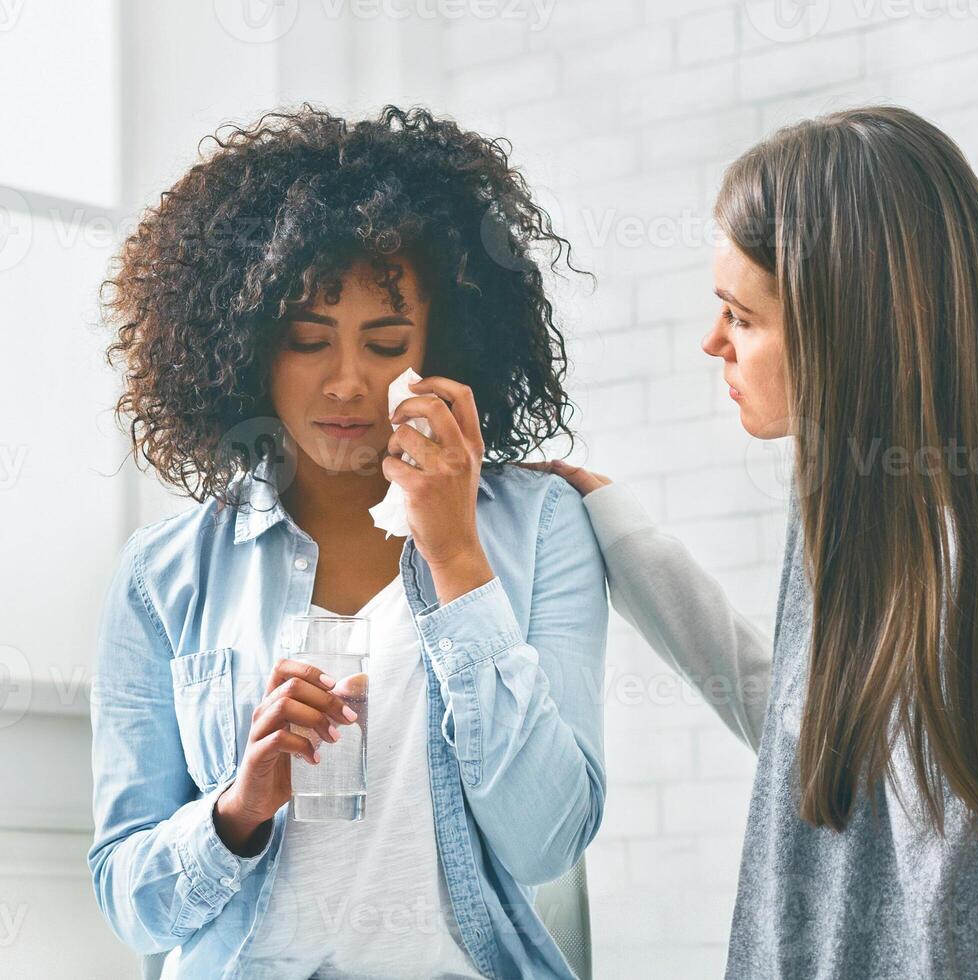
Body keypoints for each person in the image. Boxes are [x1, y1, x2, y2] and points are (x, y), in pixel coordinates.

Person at [528, 105, 978, 979]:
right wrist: (626, 542)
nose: (712, 343)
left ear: (849, 320)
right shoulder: (867, 517)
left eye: (741, 315)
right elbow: (822, 737)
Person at [87, 105, 607, 979]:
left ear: (445, 341)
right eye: (307, 340)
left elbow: (547, 840)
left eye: (386, 341)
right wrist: (238, 810)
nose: (345, 382)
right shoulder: (162, 576)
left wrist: (456, 555)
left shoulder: (540, 527)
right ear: (249, 346)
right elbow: (129, 900)